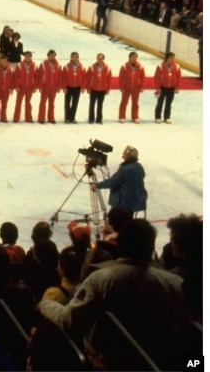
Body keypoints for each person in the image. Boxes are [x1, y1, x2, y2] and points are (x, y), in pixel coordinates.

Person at [36, 219, 185, 371]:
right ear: (151, 246)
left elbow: (70, 320)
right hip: (153, 363)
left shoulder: (101, 279)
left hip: (104, 362)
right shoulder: (175, 283)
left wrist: (45, 304)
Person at [92, 145, 148, 216]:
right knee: (126, 220)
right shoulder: (138, 166)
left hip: (124, 203)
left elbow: (113, 182)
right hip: (134, 201)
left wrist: (97, 185)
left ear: (128, 156)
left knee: (114, 219)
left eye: (124, 153)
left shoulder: (125, 169)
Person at [154, 52, 182, 124]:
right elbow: (156, 77)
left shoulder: (177, 66)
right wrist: (158, 88)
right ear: (167, 58)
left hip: (171, 88)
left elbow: (179, 77)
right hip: (162, 87)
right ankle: (158, 117)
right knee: (160, 103)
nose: (172, 59)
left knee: (168, 103)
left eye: (173, 58)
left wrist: (177, 87)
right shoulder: (160, 66)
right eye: (171, 58)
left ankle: (167, 117)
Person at [118, 51, 145, 123]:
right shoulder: (124, 66)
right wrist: (121, 87)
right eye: (133, 57)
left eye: (136, 57)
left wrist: (141, 86)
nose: (134, 58)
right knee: (124, 102)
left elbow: (142, 77)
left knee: (135, 103)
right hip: (127, 87)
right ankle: (122, 116)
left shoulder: (140, 66)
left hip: (136, 87)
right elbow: (121, 77)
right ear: (129, 58)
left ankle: (135, 116)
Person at [37, 49, 63, 124]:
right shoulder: (43, 64)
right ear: (48, 56)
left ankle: (51, 118)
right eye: (50, 56)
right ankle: (41, 118)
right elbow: (40, 75)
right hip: (45, 86)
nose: (52, 57)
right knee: (43, 102)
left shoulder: (58, 64)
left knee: (52, 103)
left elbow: (59, 76)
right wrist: (40, 86)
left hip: (54, 87)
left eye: (53, 56)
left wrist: (59, 86)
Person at [85, 53, 112, 124]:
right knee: (92, 105)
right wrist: (88, 88)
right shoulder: (92, 67)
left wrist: (108, 89)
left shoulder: (107, 68)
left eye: (101, 58)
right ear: (96, 59)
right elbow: (88, 78)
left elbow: (109, 80)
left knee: (100, 105)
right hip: (93, 89)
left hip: (102, 90)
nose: (99, 60)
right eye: (98, 58)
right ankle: (91, 119)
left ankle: (99, 119)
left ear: (103, 59)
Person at [13, 51, 38, 123]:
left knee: (28, 102)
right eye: (26, 56)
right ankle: (16, 118)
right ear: (24, 57)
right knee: (18, 102)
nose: (27, 58)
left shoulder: (34, 65)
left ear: (31, 57)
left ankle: (28, 118)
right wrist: (16, 86)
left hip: (30, 87)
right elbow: (16, 76)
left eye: (29, 56)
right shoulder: (20, 65)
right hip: (21, 87)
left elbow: (36, 77)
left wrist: (35, 87)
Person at [62, 51, 85, 124]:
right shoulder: (66, 66)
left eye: (76, 57)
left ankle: (72, 117)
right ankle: (67, 118)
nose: (74, 58)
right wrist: (64, 87)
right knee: (67, 103)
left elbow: (84, 77)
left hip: (77, 87)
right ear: (71, 58)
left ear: (78, 58)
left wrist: (83, 87)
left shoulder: (81, 66)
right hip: (69, 87)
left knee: (75, 103)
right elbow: (64, 77)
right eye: (73, 57)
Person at [0, 55, 15, 122]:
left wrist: (11, 88)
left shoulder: (11, 70)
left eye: (5, 61)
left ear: (7, 62)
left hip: (6, 90)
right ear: (0, 62)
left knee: (4, 104)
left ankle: (3, 117)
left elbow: (12, 80)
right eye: (2, 61)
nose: (3, 63)